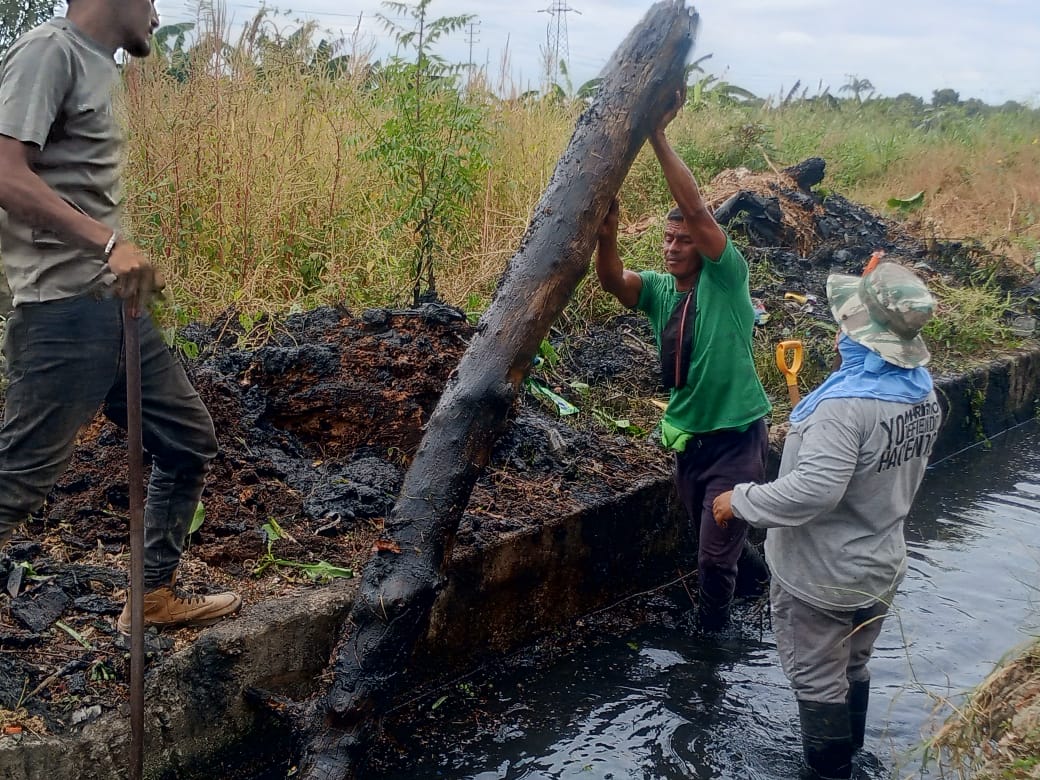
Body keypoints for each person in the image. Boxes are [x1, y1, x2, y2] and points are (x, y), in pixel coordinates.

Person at [0, 0, 241, 634]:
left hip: (114, 310)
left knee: (187, 440)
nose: (159, 15)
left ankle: (152, 597)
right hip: (62, 312)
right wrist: (109, 244)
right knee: (16, 485)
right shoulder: (47, 52)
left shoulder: (97, 66)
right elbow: (4, 173)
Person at [712, 262, 942, 779]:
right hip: (880, 568)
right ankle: (854, 757)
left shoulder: (844, 409)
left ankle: (831, 772)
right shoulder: (920, 392)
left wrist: (740, 500)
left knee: (818, 682)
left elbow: (814, 490)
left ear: (860, 334)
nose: (841, 333)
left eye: (847, 323)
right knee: (854, 666)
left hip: (821, 579)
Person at [596, 92, 772, 632]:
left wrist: (656, 135)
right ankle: (764, 584)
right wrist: (608, 238)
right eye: (666, 239)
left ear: (703, 245)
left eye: (683, 240)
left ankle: (710, 646)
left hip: (737, 440)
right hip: (691, 444)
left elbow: (697, 210)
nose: (673, 247)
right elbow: (614, 284)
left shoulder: (726, 277)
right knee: (715, 531)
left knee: (711, 560)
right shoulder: (659, 290)